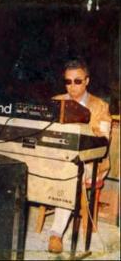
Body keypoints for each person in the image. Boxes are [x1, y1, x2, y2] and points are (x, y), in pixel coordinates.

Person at [47, 58, 112, 253]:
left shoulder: (100, 106)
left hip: (91, 163)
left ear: (87, 81)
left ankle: (55, 234)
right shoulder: (57, 101)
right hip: (58, 159)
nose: (72, 87)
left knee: (70, 174)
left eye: (77, 81)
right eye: (68, 82)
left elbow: (103, 141)